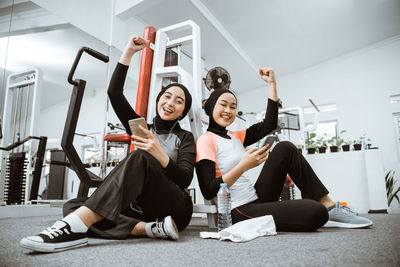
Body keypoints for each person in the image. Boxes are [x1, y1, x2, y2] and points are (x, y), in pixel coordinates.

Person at [20, 36, 196, 252]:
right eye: (167, 96)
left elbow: (185, 178)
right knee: (72, 206)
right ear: (159, 100)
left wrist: (158, 153)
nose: (170, 103)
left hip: (175, 208)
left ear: (183, 111)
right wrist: (129, 52)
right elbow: (114, 93)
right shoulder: (142, 128)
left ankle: (71, 228)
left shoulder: (185, 137)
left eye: (179, 101)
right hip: (141, 209)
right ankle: (148, 229)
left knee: (141, 156)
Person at [195, 67, 373, 232]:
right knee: (314, 212)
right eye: (223, 105)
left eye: (233, 107)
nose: (228, 110)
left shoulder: (235, 136)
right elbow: (209, 190)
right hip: (238, 210)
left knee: (284, 148)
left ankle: (328, 205)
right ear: (211, 108)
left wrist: (272, 84)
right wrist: (243, 166)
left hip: (256, 199)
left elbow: (269, 124)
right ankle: (322, 210)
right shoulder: (205, 140)